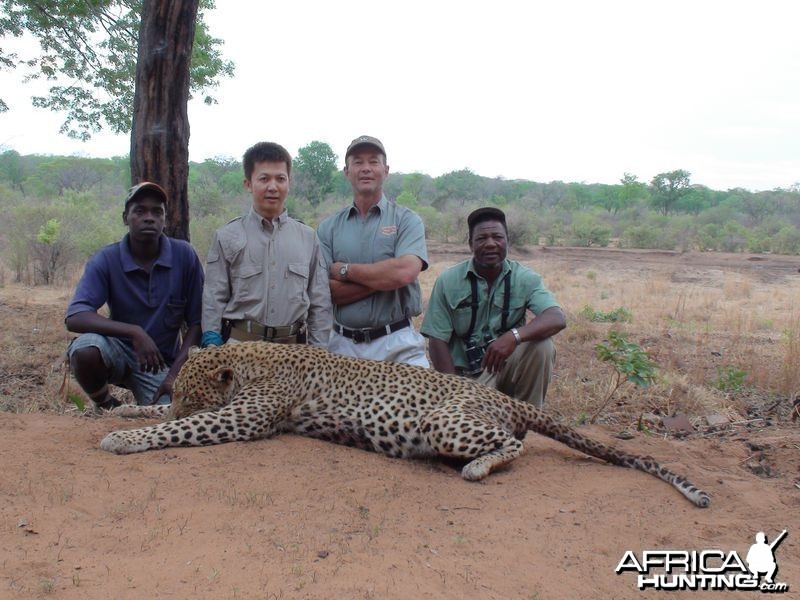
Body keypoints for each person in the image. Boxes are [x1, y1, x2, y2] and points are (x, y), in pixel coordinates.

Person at [66, 182, 204, 410]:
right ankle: (105, 404)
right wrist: (134, 332)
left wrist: (174, 376)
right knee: (85, 350)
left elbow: (198, 323)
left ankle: (153, 397)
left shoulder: (184, 256)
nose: (149, 218)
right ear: (125, 218)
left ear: (165, 219)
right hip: (116, 351)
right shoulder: (106, 259)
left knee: (169, 412)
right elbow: (76, 316)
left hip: (159, 363)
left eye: (157, 212)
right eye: (140, 211)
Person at [421, 207, 567, 408]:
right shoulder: (448, 280)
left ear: (507, 241)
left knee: (542, 346)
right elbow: (437, 341)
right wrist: (453, 391)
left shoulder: (525, 278)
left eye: (497, 237)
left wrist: (513, 336)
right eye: (481, 238)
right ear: (470, 245)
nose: (490, 244)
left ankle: (528, 419)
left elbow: (556, 318)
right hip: (465, 378)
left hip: (505, 369)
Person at [201, 141, 331, 347]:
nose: (273, 186)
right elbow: (213, 297)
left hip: (293, 354)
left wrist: (319, 352)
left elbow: (320, 302)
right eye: (264, 178)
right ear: (248, 184)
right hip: (239, 349)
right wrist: (211, 340)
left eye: (280, 178)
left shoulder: (308, 238)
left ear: (289, 183)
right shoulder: (226, 236)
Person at [317, 135, 429, 366]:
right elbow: (327, 293)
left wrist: (344, 271)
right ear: (346, 171)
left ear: (386, 170)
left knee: (422, 401)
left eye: (373, 161)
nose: (366, 168)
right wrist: (384, 279)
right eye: (358, 162)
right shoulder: (328, 228)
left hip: (398, 344)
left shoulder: (407, 220)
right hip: (341, 345)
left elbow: (405, 273)